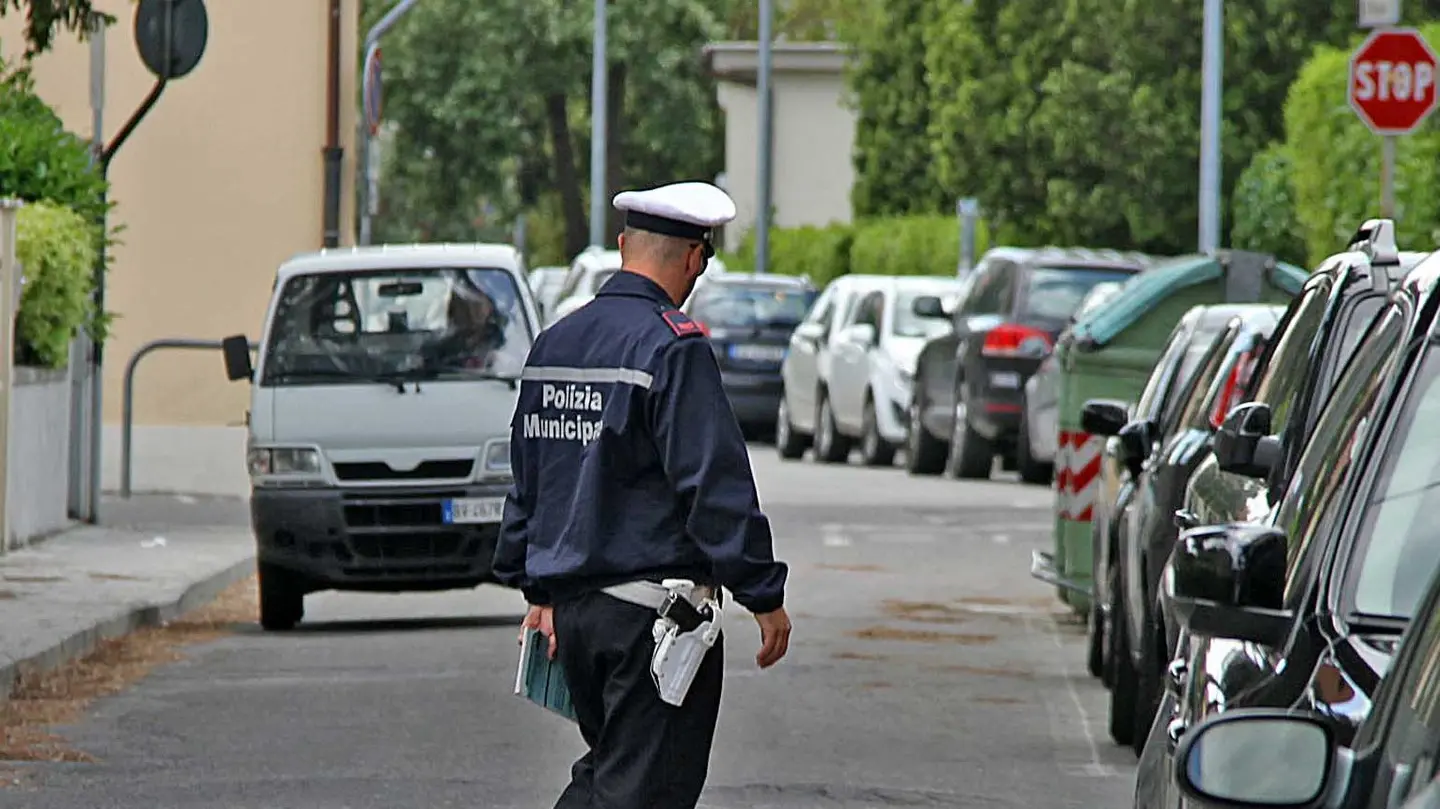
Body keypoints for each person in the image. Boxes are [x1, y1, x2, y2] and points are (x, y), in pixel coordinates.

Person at [492, 181, 792, 809]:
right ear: (693, 259)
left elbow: (530, 478)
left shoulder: (556, 345)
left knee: (614, 773)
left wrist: (539, 590)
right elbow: (711, 484)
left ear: (624, 245)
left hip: (575, 618)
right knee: (644, 790)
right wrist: (763, 593)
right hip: (651, 621)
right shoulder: (671, 346)